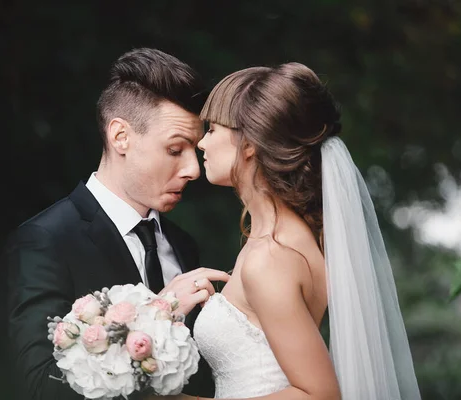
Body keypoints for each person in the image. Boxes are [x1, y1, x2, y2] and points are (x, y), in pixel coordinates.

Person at [172, 63, 421, 399]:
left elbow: (318, 394)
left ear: (249, 144)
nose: (202, 143)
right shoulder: (277, 239)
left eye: (213, 129)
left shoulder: (273, 256)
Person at [5, 48, 228, 400]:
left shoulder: (182, 245)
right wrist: (158, 312)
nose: (193, 170)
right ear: (120, 136)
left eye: (195, 151)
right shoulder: (46, 239)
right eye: (175, 150)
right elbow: (39, 386)